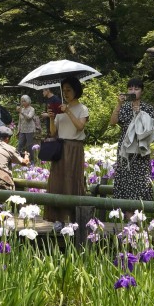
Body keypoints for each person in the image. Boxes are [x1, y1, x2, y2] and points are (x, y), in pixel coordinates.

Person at [45, 75, 89, 227]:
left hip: (74, 148)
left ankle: (71, 217)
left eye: (69, 90)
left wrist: (68, 112)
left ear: (76, 90)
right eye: (64, 90)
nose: (66, 93)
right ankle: (57, 218)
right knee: (58, 180)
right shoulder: (60, 109)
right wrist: (52, 118)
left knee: (72, 180)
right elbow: (52, 132)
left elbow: (80, 126)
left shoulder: (82, 108)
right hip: (60, 147)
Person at [110, 78, 154, 203]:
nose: (133, 91)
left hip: (141, 149)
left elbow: (152, 129)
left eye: (136, 89)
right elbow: (113, 123)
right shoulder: (124, 107)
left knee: (141, 181)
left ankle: (138, 214)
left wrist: (140, 115)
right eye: (130, 88)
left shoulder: (147, 108)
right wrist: (118, 104)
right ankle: (128, 216)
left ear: (142, 91)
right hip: (125, 148)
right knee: (124, 179)